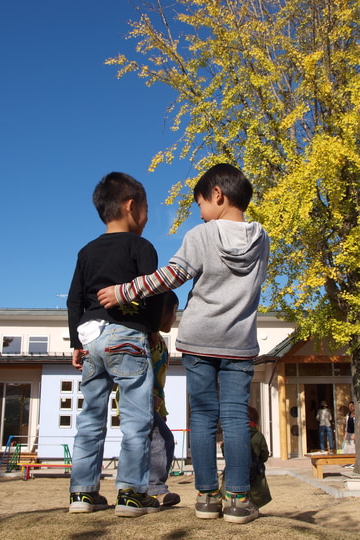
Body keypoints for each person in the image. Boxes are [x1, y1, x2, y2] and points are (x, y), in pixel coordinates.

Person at [98, 163, 270, 524]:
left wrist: (123, 291)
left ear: (217, 196)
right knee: (237, 419)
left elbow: (171, 277)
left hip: (199, 340)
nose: (200, 213)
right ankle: (238, 500)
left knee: (204, 418)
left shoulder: (200, 236)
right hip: (239, 342)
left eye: (201, 204)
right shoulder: (262, 238)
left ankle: (207, 498)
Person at [67, 172, 163, 517]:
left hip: (90, 338)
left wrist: (76, 343)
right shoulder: (142, 247)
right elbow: (153, 291)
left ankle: (82, 493)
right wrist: (152, 329)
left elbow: (74, 300)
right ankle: (132, 492)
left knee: (91, 418)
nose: (148, 217)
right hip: (128, 336)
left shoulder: (86, 251)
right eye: (147, 209)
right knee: (136, 419)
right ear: (131, 206)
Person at [147, 291, 180, 507]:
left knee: (150, 443)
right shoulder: (143, 341)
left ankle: (140, 488)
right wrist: (150, 397)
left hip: (156, 405)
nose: (175, 318)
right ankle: (154, 488)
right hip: (140, 400)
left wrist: (162, 410)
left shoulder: (161, 344)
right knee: (163, 440)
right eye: (174, 312)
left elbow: (161, 381)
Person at [247, 406, 272, 508]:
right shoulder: (258, 435)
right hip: (254, 474)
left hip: (232, 474)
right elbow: (264, 455)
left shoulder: (232, 434)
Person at [342, 401, 356, 468]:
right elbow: (347, 425)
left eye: (352, 406)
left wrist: (356, 434)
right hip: (348, 433)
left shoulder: (356, 415)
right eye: (349, 407)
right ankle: (348, 462)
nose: (351, 408)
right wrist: (345, 434)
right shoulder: (348, 415)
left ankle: (353, 462)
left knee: (353, 449)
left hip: (354, 434)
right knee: (347, 448)